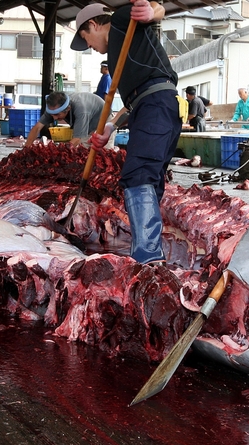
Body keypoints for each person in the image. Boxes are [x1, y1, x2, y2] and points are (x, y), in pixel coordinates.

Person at [72, 0, 182, 265]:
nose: (88, 46)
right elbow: (134, 99)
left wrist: (150, 12)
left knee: (137, 174)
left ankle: (147, 258)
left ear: (93, 24)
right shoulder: (117, 53)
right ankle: (148, 250)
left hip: (157, 105)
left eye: (85, 38)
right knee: (149, 179)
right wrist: (111, 126)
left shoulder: (122, 21)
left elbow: (157, 8)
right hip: (148, 107)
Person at [25, 91, 104, 147]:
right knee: (83, 149)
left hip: (103, 116)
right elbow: (37, 128)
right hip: (87, 116)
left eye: (57, 114)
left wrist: (59, 153)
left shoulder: (81, 110)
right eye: (52, 115)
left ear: (68, 109)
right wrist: (26, 149)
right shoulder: (53, 107)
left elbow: (77, 139)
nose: (54, 118)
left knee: (101, 150)